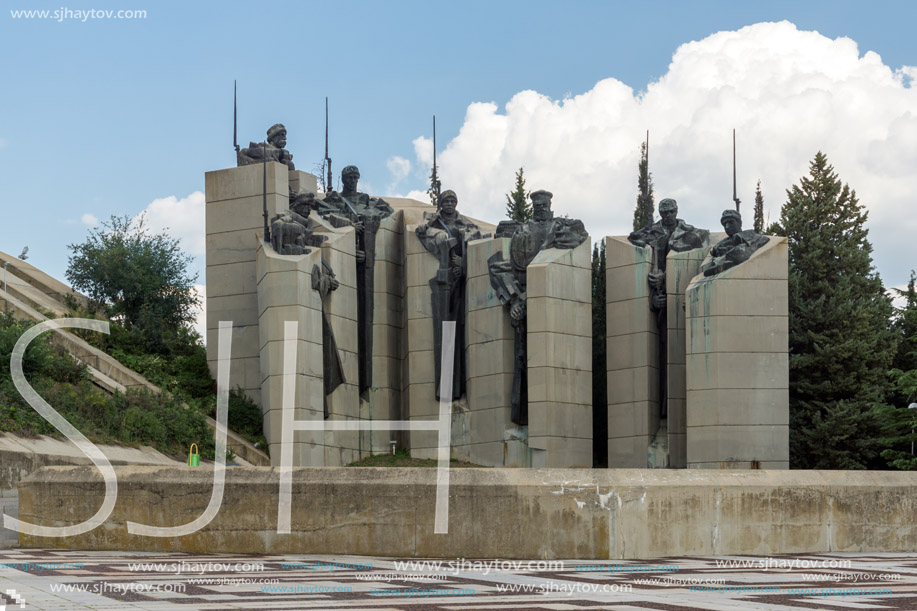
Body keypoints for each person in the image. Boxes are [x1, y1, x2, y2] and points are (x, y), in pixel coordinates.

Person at [488, 190, 588, 425]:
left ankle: (546, 418)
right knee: (522, 356)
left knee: (545, 355)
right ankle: (524, 415)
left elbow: (579, 233)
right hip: (521, 293)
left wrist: (527, 298)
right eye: (537, 205)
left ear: (550, 204)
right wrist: (514, 300)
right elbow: (501, 263)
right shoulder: (521, 229)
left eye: (544, 204)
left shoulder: (561, 226)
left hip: (549, 295)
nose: (540, 208)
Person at [314, 165, 393, 393]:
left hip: (365, 261)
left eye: (355, 176)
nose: (352, 180)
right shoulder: (335, 200)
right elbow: (325, 214)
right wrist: (349, 226)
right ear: (342, 179)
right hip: (347, 261)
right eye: (349, 177)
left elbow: (383, 215)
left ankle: (365, 382)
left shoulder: (368, 201)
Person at [416, 190, 486, 400]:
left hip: (462, 282)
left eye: (452, 201)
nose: (449, 204)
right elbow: (421, 232)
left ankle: (456, 386)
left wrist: (463, 265)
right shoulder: (434, 224)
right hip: (445, 281)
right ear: (440, 204)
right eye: (445, 201)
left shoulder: (466, 225)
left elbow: (478, 244)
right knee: (447, 328)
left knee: (459, 328)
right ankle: (447, 387)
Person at [701, 209, 770, 277]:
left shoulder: (756, 238)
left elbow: (740, 254)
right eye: (725, 224)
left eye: (731, 222)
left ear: (739, 223)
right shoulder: (718, 247)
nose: (727, 227)